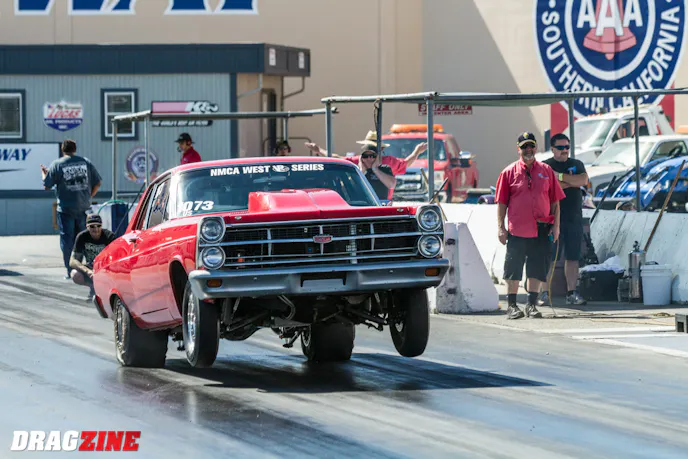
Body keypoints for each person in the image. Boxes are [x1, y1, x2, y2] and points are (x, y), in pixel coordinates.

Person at [495, 132, 566, 320]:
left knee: (537, 268)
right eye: (524, 146)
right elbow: (501, 203)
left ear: (536, 148)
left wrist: (556, 226)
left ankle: (531, 305)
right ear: (518, 149)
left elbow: (555, 202)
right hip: (518, 229)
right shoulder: (508, 172)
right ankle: (512, 306)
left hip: (541, 228)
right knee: (513, 269)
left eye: (531, 146)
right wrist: (501, 227)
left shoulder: (546, 170)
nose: (528, 150)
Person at [41, 139, 102, 279]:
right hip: (83, 208)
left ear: (63, 149)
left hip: (65, 210)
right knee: (85, 239)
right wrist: (88, 197)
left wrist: (44, 174)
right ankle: (89, 269)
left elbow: (47, 185)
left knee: (67, 241)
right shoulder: (85, 162)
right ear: (75, 149)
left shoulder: (57, 164)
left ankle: (71, 271)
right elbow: (98, 182)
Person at [305, 130, 427, 199]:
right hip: (363, 202)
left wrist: (417, 152)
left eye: (372, 154)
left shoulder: (388, 162)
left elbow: (405, 164)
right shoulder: (358, 161)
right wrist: (319, 150)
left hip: (383, 202)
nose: (369, 158)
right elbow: (337, 158)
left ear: (380, 150)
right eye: (366, 154)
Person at [541, 133, 589, 306]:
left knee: (573, 256)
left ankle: (571, 292)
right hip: (551, 219)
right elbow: (547, 186)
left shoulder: (577, 164)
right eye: (560, 147)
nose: (564, 150)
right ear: (552, 148)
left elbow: (583, 180)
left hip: (573, 217)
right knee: (549, 256)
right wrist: (571, 183)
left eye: (567, 147)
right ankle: (544, 292)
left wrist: (560, 178)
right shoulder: (545, 166)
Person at [69, 214, 116, 300]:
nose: (96, 229)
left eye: (98, 226)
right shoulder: (81, 237)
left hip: (105, 268)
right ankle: (93, 287)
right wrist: (88, 271)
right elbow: (72, 261)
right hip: (90, 268)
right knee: (75, 274)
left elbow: (115, 258)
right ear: (87, 227)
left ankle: (105, 289)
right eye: (92, 226)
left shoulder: (110, 236)